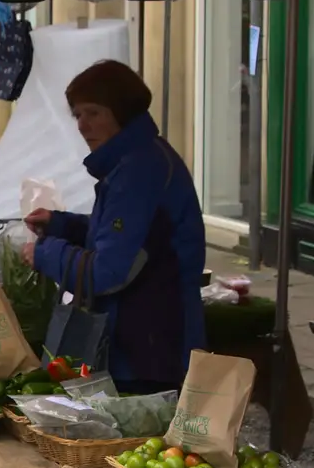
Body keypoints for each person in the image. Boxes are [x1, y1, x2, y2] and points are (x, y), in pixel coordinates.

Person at [24, 59, 207, 392]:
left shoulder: (139, 171)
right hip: (143, 339)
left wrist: (45, 253)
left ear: (122, 112)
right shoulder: (132, 162)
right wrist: (61, 225)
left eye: (94, 113)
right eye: (77, 115)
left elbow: (109, 271)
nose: (82, 125)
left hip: (149, 346)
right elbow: (124, 236)